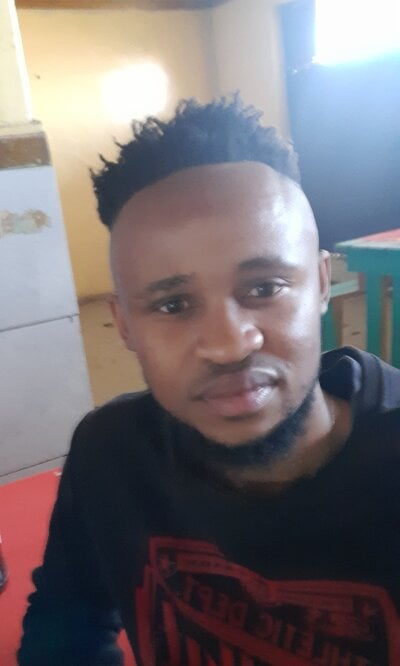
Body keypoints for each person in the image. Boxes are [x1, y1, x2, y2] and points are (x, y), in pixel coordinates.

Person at [18, 96, 400, 666]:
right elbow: (64, 630)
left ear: (321, 284)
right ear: (124, 325)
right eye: (173, 305)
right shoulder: (111, 455)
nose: (228, 345)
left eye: (264, 288)